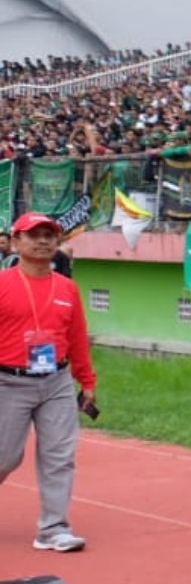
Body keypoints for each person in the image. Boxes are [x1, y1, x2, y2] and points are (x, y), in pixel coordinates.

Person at [0, 213, 97, 552]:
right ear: (16, 242)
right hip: (8, 382)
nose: (42, 241)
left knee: (59, 455)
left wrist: (86, 381)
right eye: (34, 235)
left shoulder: (67, 288)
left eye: (49, 235)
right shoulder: (2, 284)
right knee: (5, 457)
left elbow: (77, 337)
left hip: (55, 381)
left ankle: (53, 529)